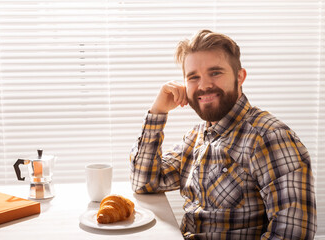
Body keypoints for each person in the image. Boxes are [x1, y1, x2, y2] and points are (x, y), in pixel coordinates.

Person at [129, 29, 317, 239]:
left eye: (215, 73)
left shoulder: (269, 137)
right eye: (193, 77)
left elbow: (291, 235)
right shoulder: (197, 137)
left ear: (240, 77)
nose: (204, 85)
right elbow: (144, 182)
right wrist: (158, 111)